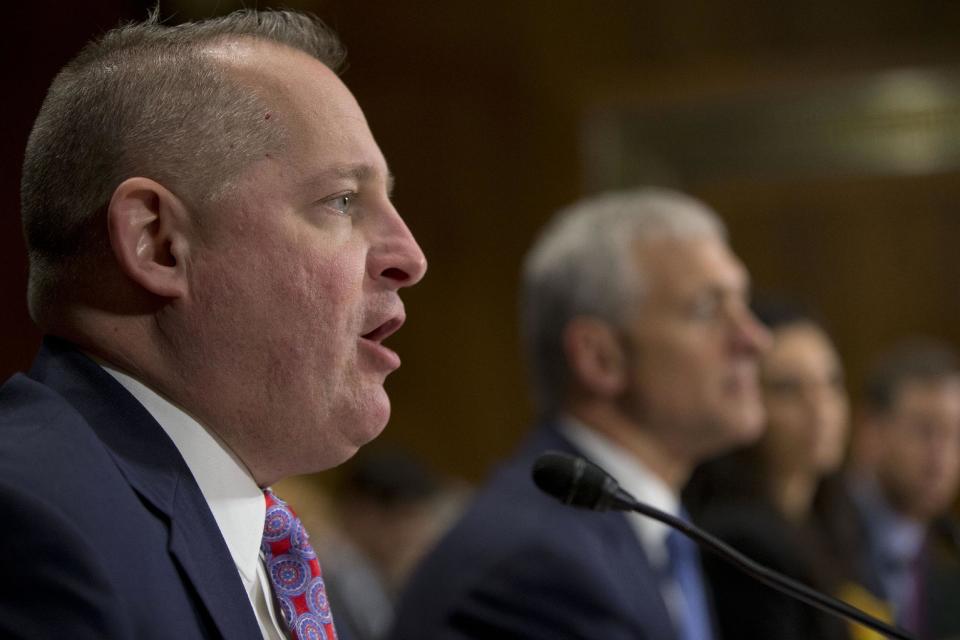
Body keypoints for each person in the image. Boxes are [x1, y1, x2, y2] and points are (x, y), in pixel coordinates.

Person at [0, 9, 426, 640]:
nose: (410, 258)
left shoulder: (262, 549)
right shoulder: (33, 524)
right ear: (160, 242)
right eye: (342, 200)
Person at [390, 188, 770, 640]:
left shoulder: (639, 530)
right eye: (708, 309)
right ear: (599, 358)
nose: (754, 339)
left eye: (742, 304)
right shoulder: (539, 565)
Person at [685, 303, 868, 640]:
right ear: (744, 397)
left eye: (831, 383)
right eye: (788, 388)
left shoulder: (840, 519)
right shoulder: (740, 543)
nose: (820, 407)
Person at [847, 339, 960, 639]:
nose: (941, 455)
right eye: (925, 430)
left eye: (954, 435)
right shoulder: (819, 532)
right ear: (871, 431)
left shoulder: (949, 554)